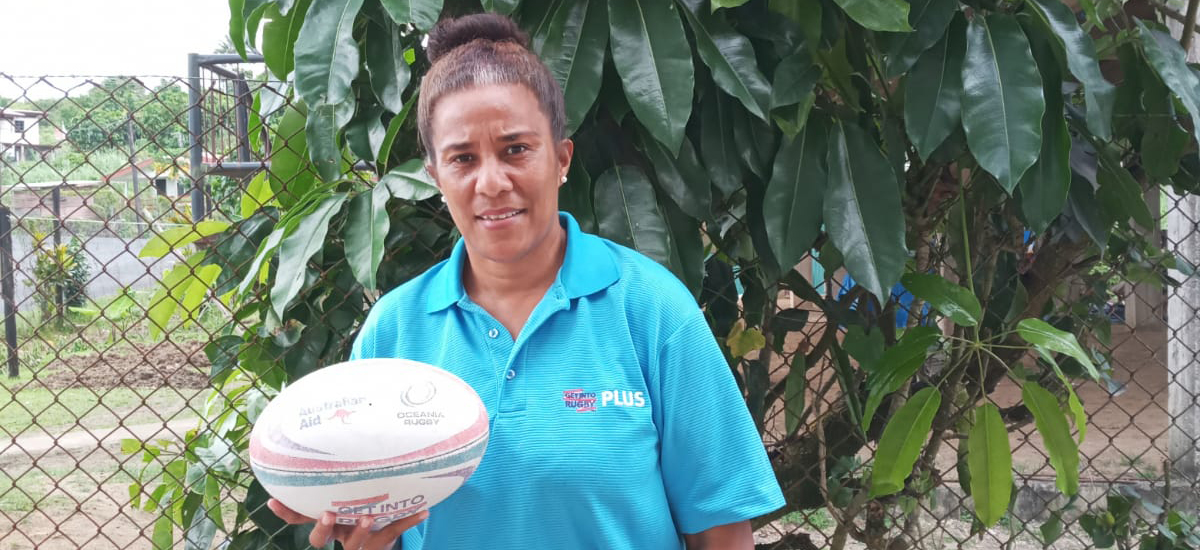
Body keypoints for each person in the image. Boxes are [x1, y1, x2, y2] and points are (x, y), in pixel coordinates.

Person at [267, 12, 785, 550]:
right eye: (463, 159)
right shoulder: (394, 333)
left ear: (561, 159)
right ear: (435, 178)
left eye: (516, 149)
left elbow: (721, 530)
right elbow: (377, 524)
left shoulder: (653, 312)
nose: (491, 183)